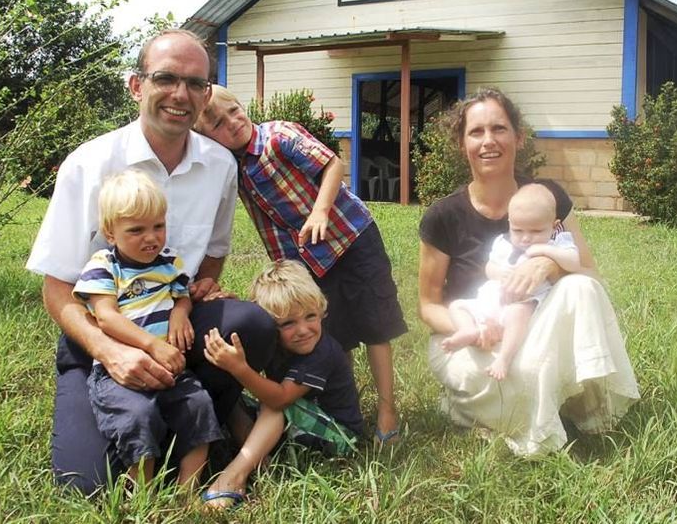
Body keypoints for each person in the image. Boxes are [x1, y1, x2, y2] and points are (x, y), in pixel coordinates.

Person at [26, 29, 277, 495]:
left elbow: (216, 250)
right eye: (166, 78)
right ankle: (173, 420)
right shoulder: (89, 164)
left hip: (174, 331)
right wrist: (112, 352)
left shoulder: (220, 165)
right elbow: (56, 291)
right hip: (100, 343)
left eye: (196, 83)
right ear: (136, 85)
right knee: (86, 484)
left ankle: (209, 407)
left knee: (250, 323)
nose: (181, 95)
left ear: (206, 94)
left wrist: (203, 285)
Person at [418, 87, 639, 456]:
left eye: (499, 128)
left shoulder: (547, 197)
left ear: (518, 137)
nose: (488, 141)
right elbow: (428, 306)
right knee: (514, 375)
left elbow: (591, 276)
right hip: (473, 334)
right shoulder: (443, 216)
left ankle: (568, 409)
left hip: (533, 325)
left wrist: (549, 263)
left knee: (580, 288)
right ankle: (482, 406)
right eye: (476, 132)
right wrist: (475, 330)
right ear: (461, 143)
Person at [194, 86, 407, 444]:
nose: (232, 123)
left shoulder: (278, 135)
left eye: (233, 111)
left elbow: (332, 164)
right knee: (330, 330)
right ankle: (344, 402)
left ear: (242, 105)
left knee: (375, 324)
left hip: (350, 237)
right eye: (217, 123)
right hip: (306, 258)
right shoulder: (229, 168)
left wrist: (321, 210)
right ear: (207, 137)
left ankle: (387, 410)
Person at [75, 170, 221, 491]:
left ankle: (188, 489)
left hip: (170, 368)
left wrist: (180, 315)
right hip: (119, 374)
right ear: (110, 233)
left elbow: (181, 297)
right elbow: (107, 318)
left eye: (158, 226)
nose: (151, 237)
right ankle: (142, 490)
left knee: (199, 406)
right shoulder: (104, 265)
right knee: (138, 417)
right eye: (136, 230)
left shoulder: (168, 263)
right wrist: (152, 346)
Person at [201, 260, 365, 509]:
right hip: (295, 425)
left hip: (339, 436)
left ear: (322, 311)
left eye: (311, 316)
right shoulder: (275, 338)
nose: (303, 330)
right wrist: (235, 308)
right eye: (288, 323)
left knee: (275, 405)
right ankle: (261, 458)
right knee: (232, 397)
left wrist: (239, 368)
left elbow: (281, 398)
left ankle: (233, 477)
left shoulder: (323, 352)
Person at [442, 183, 580, 382]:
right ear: (510, 224)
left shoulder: (557, 242)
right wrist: (499, 274)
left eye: (535, 231)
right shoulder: (503, 242)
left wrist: (546, 253)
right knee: (457, 305)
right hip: (491, 301)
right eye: (518, 230)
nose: (525, 238)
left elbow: (574, 262)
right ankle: (468, 329)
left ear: (554, 225)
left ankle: (504, 359)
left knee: (518, 314)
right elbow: (489, 267)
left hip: (522, 302)